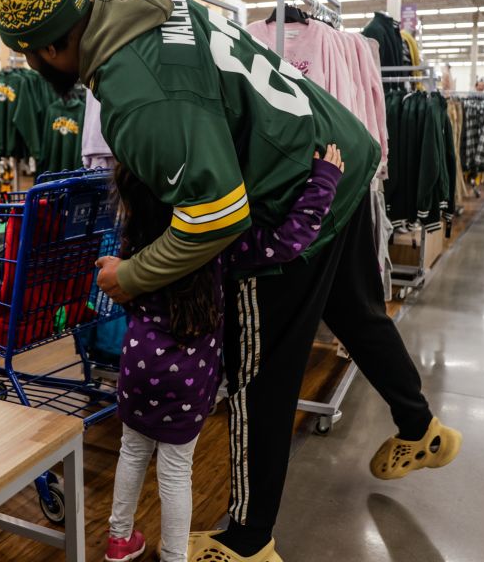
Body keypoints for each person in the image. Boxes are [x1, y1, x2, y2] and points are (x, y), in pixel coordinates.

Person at [0, 0, 460, 562]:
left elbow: (217, 214)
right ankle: (420, 427)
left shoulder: (134, 94)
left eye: (27, 54)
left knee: (259, 375)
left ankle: (248, 538)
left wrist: (133, 274)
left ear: (48, 47)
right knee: (355, 312)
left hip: (289, 198)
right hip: (336, 159)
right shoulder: (153, 6)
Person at [106, 146, 345, 562]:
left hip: (136, 362)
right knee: (176, 470)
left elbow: (126, 299)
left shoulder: (133, 242)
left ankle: (119, 541)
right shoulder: (216, 244)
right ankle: (175, 556)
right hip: (189, 372)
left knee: (132, 450)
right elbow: (287, 241)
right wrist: (323, 180)